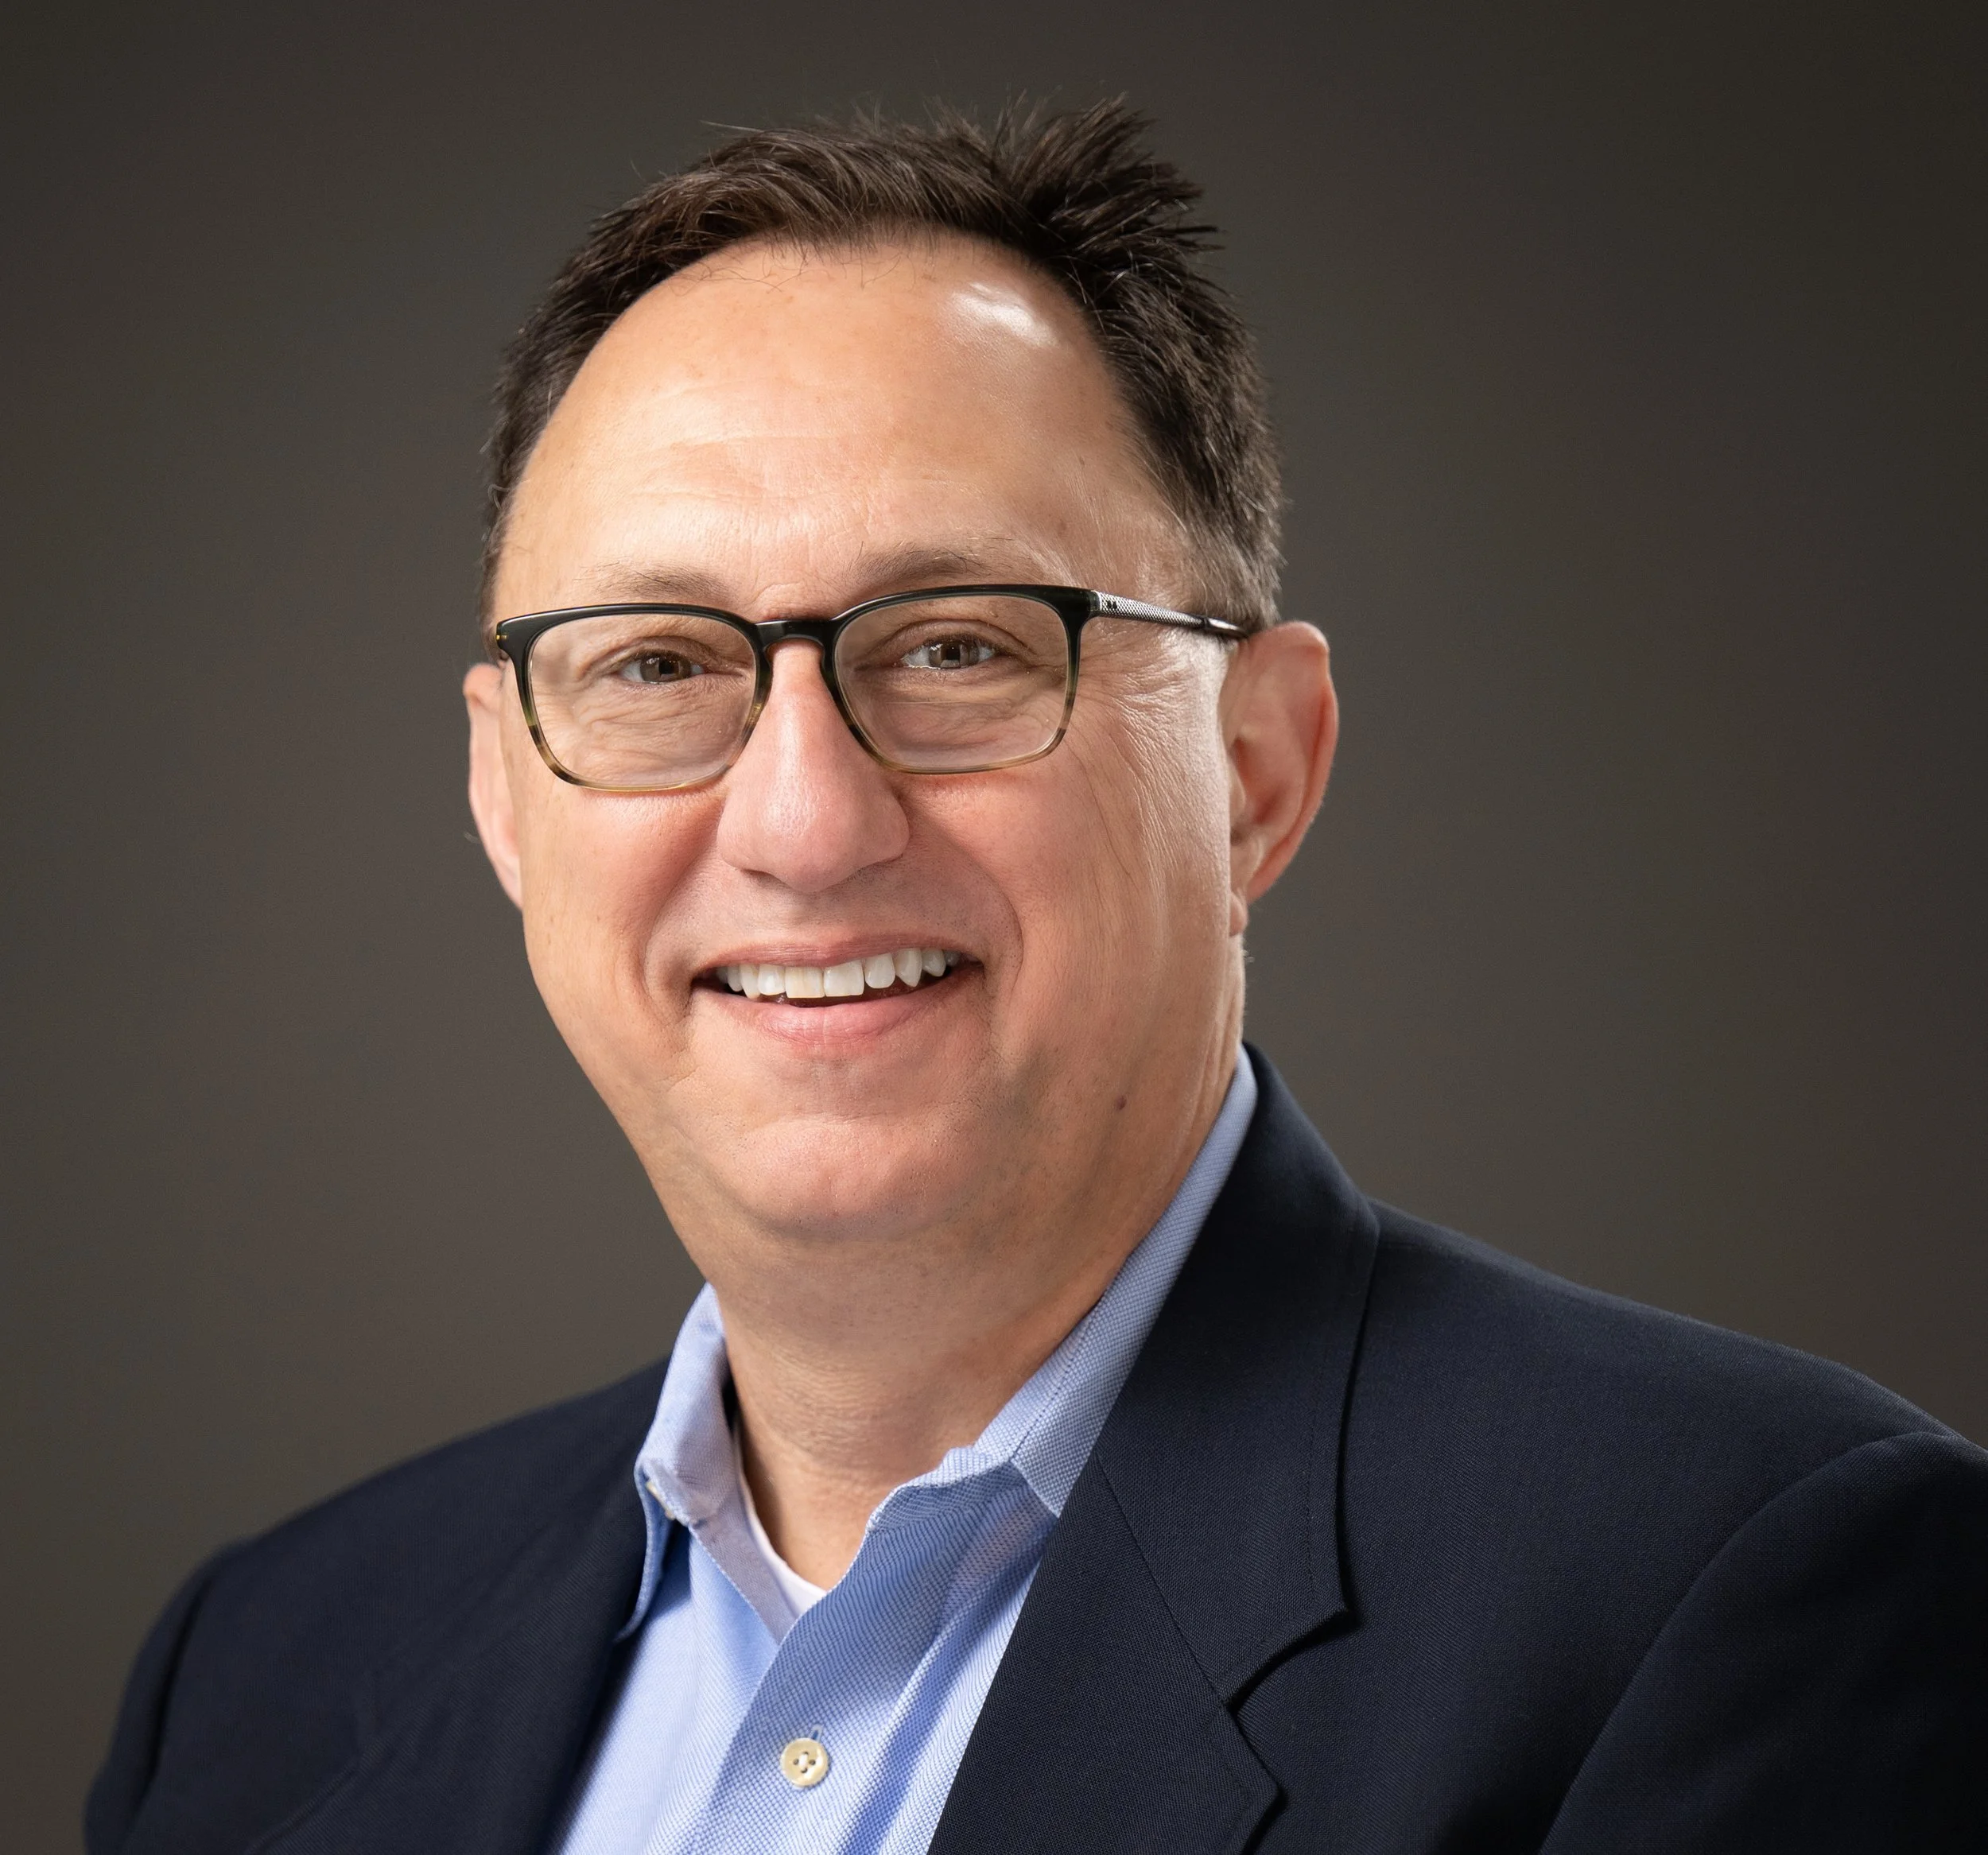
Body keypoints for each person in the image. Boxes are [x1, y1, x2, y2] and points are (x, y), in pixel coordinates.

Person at [87, 102, 1986, 1855]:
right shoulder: (265, 1666)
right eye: (657, 665)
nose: (804, 821)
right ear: (506, 797)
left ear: (1256, 766)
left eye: (959, 647)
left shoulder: (1742, 1586)